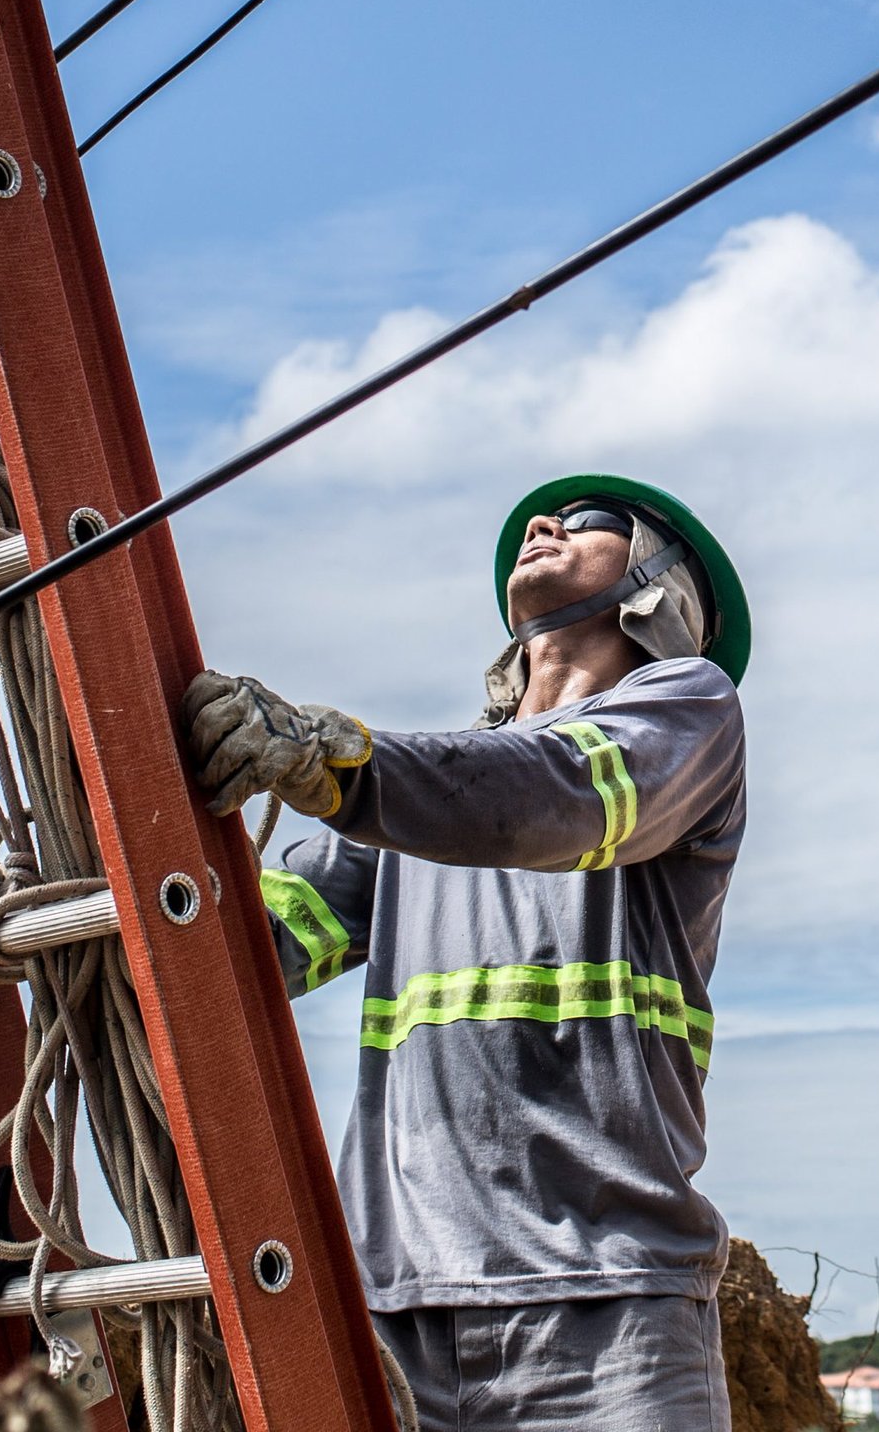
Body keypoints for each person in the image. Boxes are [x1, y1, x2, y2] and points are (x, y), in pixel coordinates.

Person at [181, 473, 754, 1432]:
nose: (543, 524)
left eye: (590, 523)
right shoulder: (415, 799)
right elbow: (253, 952)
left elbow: (562, 795)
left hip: (605, 1311)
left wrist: (338, 764)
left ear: (663, 589)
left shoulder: (687, 716)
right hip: (401, 1316)